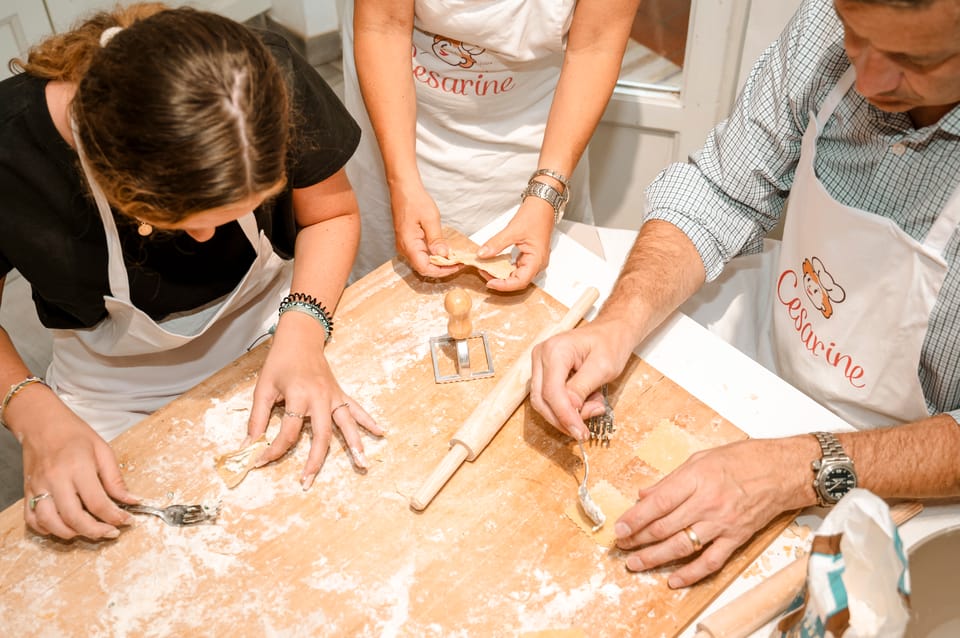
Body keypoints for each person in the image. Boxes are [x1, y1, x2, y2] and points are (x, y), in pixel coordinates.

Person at [530, 0, 960, 589]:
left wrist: (795, 468)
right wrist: (617, 320)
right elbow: (722, 189)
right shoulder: (821, 26)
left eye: (916, 59)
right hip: (769, 363)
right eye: (855, 36)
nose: (867, 79)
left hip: (913, 469)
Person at [0, 3, 384, 541]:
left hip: (275, 327)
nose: (209, 240)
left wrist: (302, 332)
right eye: (187, 222)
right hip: (109, 387)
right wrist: (32, 414)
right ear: (108, 185)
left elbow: (332, 212)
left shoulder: (263, 81)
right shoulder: (10, 148)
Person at [342, 0, 641, 290]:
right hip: (396, 127)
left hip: (540, 137)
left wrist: (546, 191)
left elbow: (595, 48)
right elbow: (384, 27)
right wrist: (401, 180)